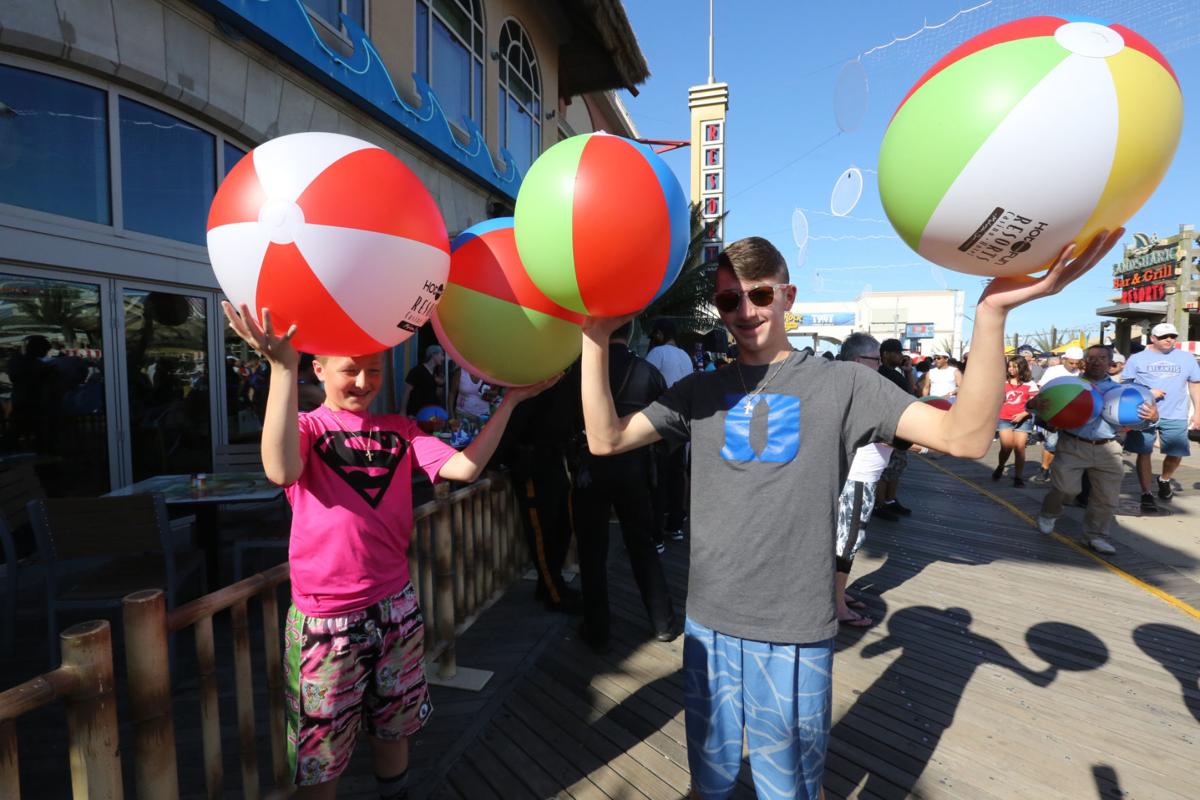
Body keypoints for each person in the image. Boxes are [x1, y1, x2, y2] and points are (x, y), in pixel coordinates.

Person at [578, 230, 1121, 800]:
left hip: (791, 628)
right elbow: (605, 439)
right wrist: (594, 338)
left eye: (760, 296)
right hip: (709, 622)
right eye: (730, 300)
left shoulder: (845, 383)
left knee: (788, 791)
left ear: (787, 297)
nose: (745, 312)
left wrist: (991, 315)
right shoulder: (699, 391)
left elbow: (963, 438)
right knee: (708, 783)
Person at [222, 302, 553, 797]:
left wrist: (510, 402)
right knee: (322, 751)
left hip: (396, 605)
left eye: (374, 370)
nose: (363, 382)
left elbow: (464, 468)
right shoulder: (308, 429)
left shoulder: (401, 431)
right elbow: (280, 469)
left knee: (395, 726)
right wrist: (282, 368)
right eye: (349, 370)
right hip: (327, 618)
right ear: (319, 369)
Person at [563, 323, 680, 649]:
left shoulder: (578, 371)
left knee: (592, 552)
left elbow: (565, 420)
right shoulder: (647, 371)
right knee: (642, 545)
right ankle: (663, 622)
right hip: (634, 469)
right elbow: (666, 424)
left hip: (589, 470)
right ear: (628, 333)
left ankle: (598, 630)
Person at [1037, 345, 1157, 554]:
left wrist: (1152, 418)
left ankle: (1095, 536)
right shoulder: (1068, 385)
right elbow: (1037, 408)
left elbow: (1139, 422)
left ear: (1110, 362)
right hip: (1073, 444)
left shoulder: (1120, 391)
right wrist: (1040, 408)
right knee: (1065, 490)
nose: (1096, 362)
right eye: (1091, 358)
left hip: (1108, 447)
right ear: (1084, 362)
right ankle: (1049, 512)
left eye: (1102, 358)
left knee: (1107, 498)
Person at [835, 333, 890, 627]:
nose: (880, 365)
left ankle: (837, 594)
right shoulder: (859, 391)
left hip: (854, 475)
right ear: (859, 360)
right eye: (876, 360)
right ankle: (836, 605)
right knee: (847, 543)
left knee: (845, 541)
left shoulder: (846, 386)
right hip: (857, 477)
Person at [1121, 323, 1200, 513]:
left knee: (1177, 452)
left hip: (1176, 413)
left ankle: (1164, 479)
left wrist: (1198, 412)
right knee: (1144, 452)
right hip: (1144, 413)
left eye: (1172, 336)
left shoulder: (1187, 358)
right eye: (1164, 336)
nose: (1169, 339)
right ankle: (1146, 493)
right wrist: (1148, 391)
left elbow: (1195, 385)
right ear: (1153, 339)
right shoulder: (1137, 358)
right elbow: (1125, 385)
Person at [646, 318, 694, 543]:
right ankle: (676, 525)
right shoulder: (685, 356)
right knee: (678, 474)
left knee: (659, 478)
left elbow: (644, 382)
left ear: (660, 334)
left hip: (661, 423)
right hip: (683, 425)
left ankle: (656, 535)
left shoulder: (657, 354)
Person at [875, 338, 917, 518]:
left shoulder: (895, 373)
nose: (901, 356)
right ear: (885, 354)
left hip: (897, 427)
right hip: (887, 427)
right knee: (885, 468)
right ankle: (880, 504)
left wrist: (907, 371)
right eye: (897, 353)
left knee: (896, 467)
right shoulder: (883, 373)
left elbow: (911, 394)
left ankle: (889, 500)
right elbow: (910, 395)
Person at [1031, 345, 1084, 484]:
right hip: (1056, 413)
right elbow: (1042, 388)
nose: (1074, 366)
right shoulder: (1053, 371)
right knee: (1052, 442)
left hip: (1075, 414)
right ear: (1064, 359)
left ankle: (1067, 472)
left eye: (1077, 363)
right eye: (1071, 363)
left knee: (1073, 444)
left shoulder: (1082, 373)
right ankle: (1044, 469)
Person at [993, 356, 1039, 486]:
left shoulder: (1030, 384)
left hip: (1024, 419)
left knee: (1019, 448)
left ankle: (1018, 477)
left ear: (1022, 367)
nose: (1011, 369)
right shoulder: (1003, 382)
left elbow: (1036, 403)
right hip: (1004, 418)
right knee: (1006, 447)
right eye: (1009, 366)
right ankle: (1001, 465)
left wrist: (1023, 414)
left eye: (1015, 366)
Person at [402, 344, 444, 416]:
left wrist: (441, 385)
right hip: (416, 413)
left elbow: (432, 393)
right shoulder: (417, 371)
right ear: (433, 354)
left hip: (429, 415)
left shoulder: (434, 374)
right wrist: (403, 411)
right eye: (441, 355)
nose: (443, 358)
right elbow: (406, 392)